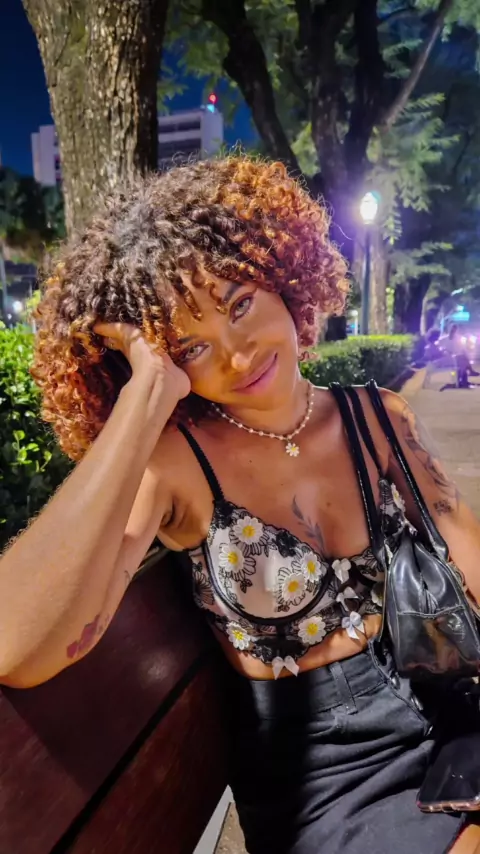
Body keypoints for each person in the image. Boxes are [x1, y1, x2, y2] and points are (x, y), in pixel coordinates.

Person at [1, 156, 480, 854]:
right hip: (324, 786)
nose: (236, 355)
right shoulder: (177, 466)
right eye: (191, 346)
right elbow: (15, 647)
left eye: (239, 304)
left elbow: (469, 558)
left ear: (281, 276)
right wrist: (143, 399)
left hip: (444, 715)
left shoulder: (380, 418)